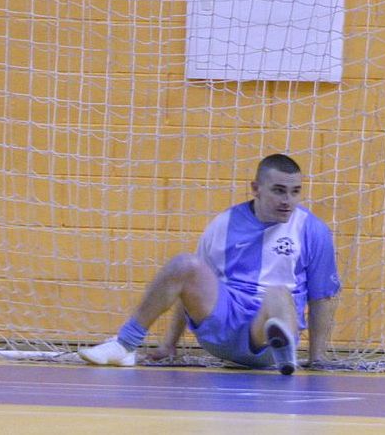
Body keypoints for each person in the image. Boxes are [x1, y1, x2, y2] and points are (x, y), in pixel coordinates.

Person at [80, 154, 340, 375]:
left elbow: (322, 297)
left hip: (267, 330)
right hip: (222, 329)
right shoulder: (224, 224)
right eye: (279, 190)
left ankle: (281, 350)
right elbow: (188, 289)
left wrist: (317, 357)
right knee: (184, 265)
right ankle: (125, 344)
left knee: (278, 294)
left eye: (295, 192)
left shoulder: (312, 230)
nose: (287, 200)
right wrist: (170, 344)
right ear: (256, 188)